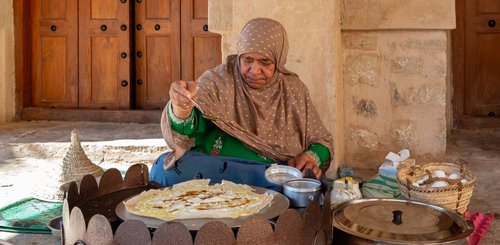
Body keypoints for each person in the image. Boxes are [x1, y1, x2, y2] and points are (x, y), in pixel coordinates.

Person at [150, 18, 333, 188]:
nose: (254, 70)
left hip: (272, 170)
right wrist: (181, 106)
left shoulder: (293, 90)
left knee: (305, 180)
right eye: (247, 60)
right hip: (217, 169)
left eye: (265, 62)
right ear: (239, 56)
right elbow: (189, 127)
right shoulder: (219, 80)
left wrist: (312, 156)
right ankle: (262, 189)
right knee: (161, 169)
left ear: (279, 60)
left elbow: (322, 141)